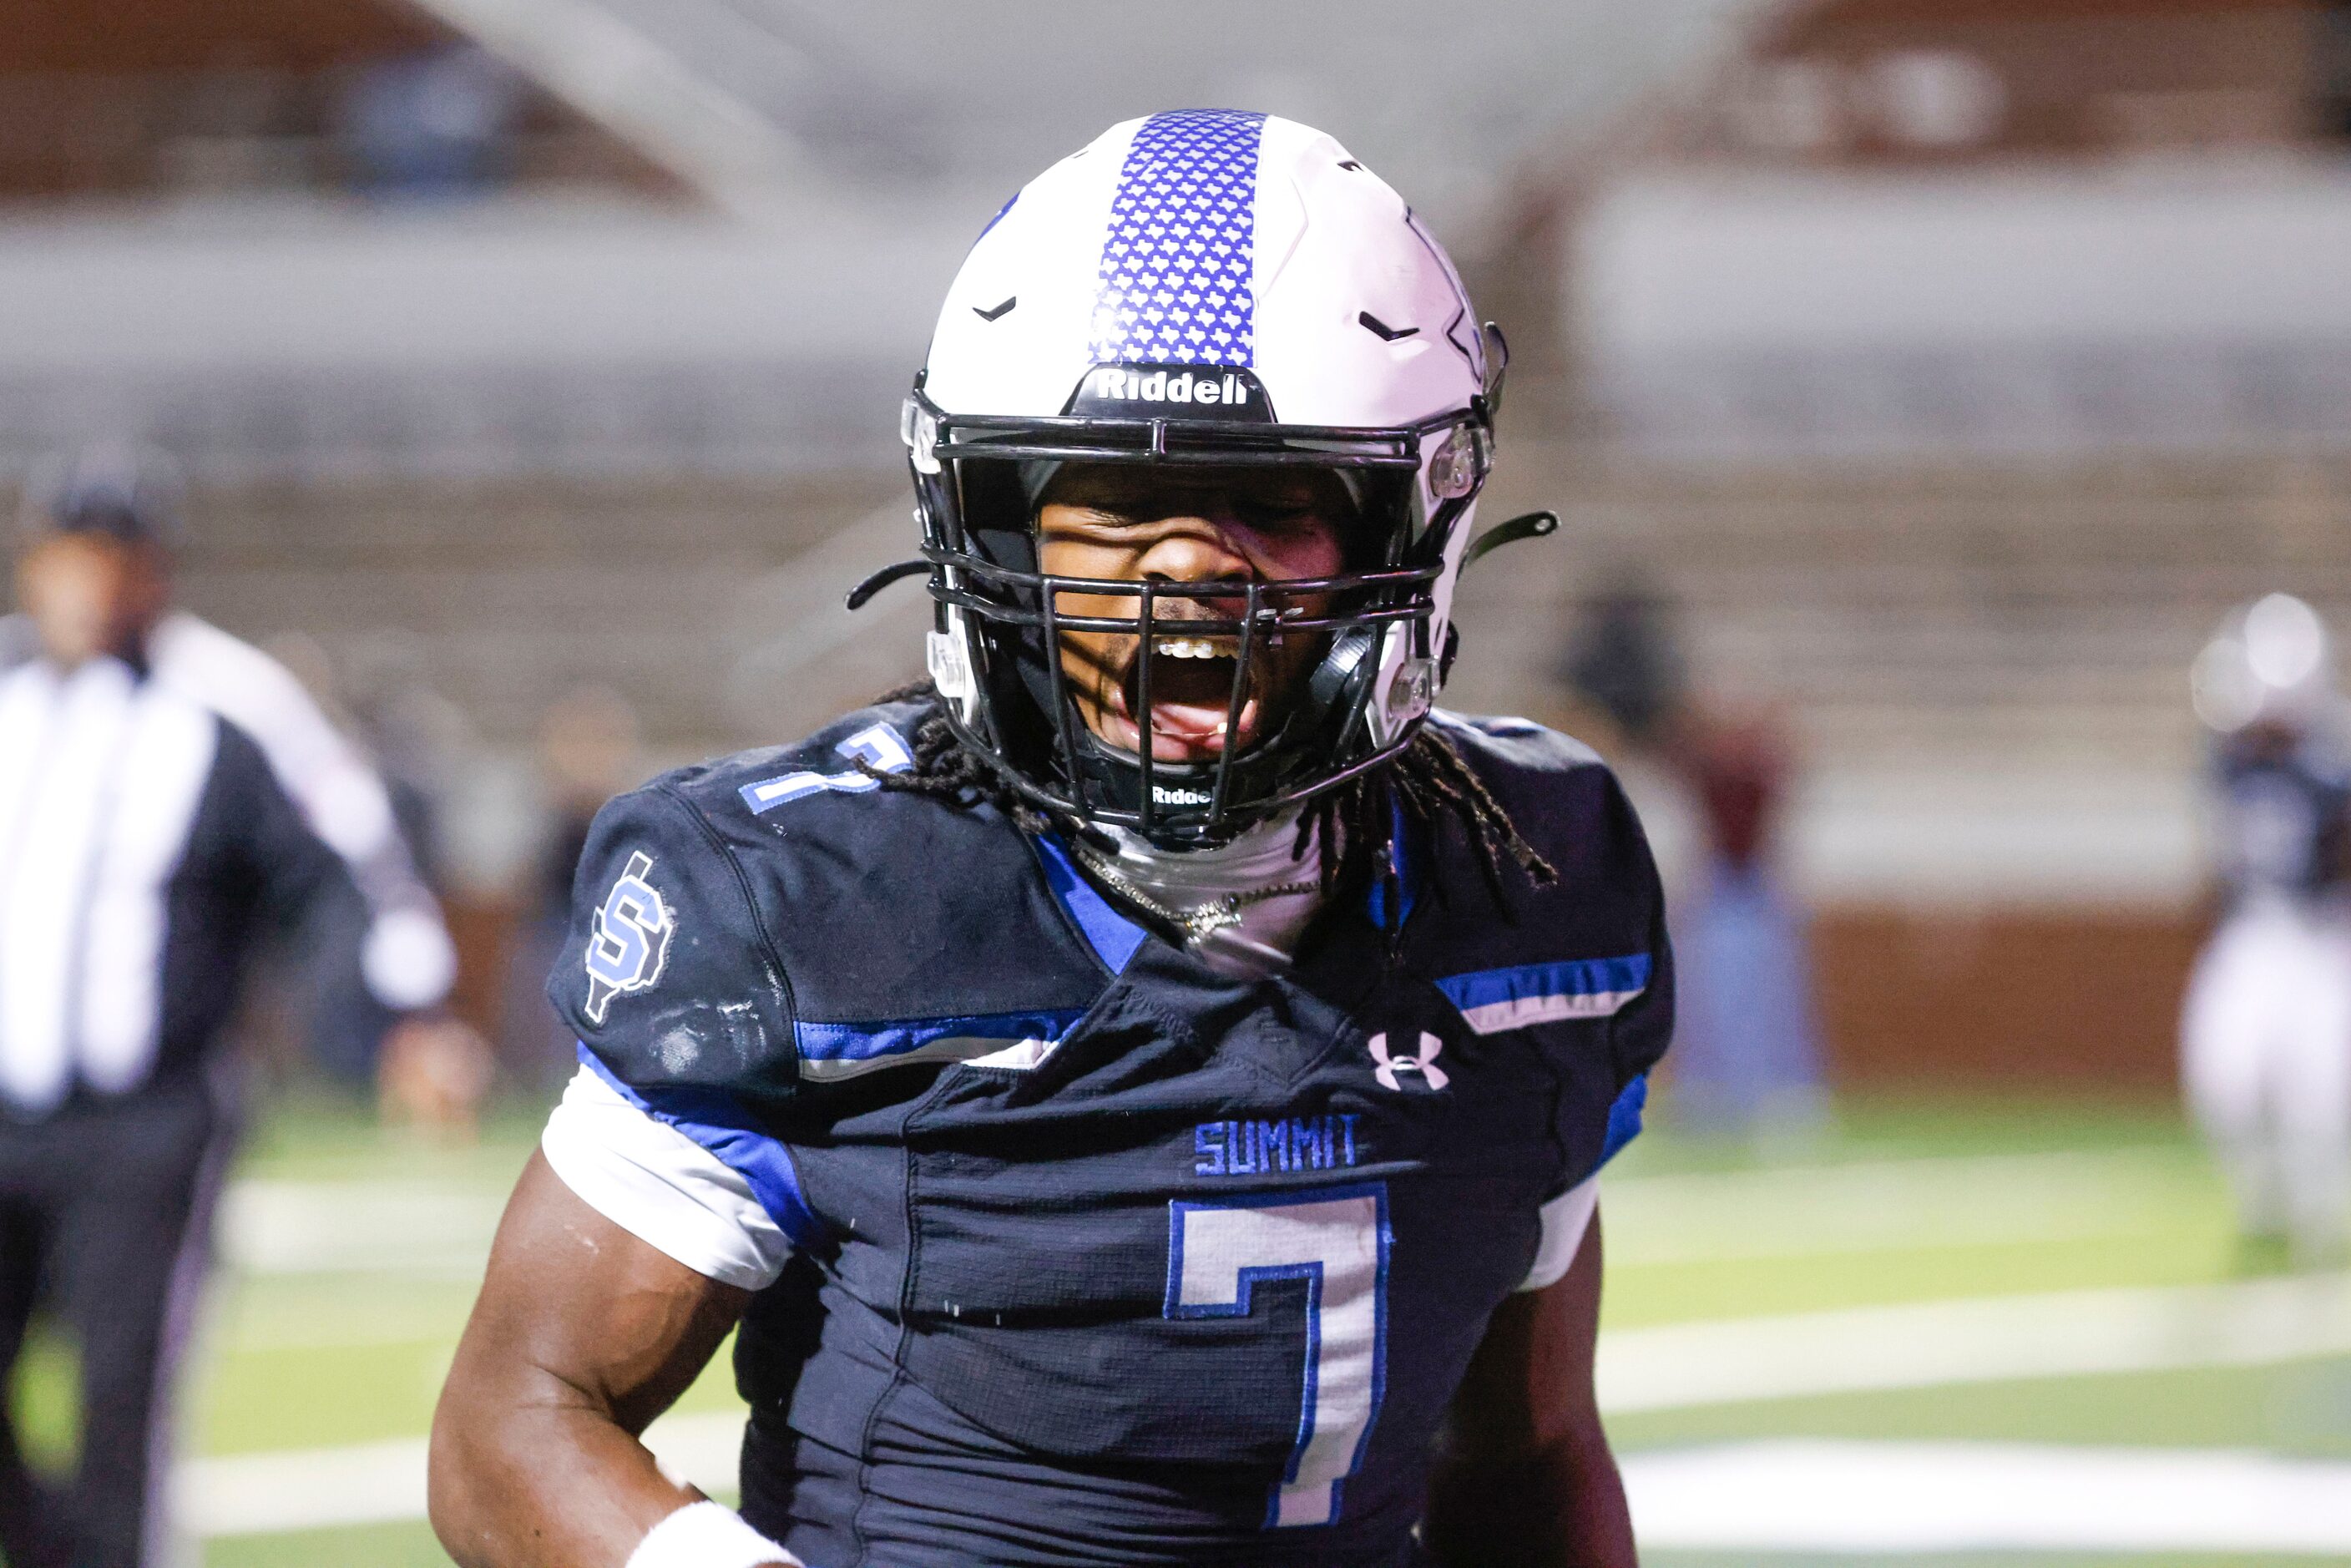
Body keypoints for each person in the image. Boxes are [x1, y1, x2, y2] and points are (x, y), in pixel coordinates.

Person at [431, 112, 1671, 1568]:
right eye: (1119, 502)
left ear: (1415, 525)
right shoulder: (815, 894)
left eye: (1274, 502)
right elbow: (513, 1417)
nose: (1188, 571)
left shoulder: (1531, 876)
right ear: (995, 526)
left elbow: (1530, 1450)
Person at [0, 444, 463, 1565]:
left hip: (147, 1115)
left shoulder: (228, 701)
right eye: (69, 560)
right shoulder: (9, 694)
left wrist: (409, 1011)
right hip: (7, 1106)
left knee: (123, 1402)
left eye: (114, 561)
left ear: (154, 571)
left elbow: (349, 860)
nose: (89, 587)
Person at [2182, 592, 2351, 1265]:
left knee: (2318, 1092)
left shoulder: (2332, 768)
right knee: (2223, 1074)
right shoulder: (2227, 760)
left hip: (2321, 937)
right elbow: (2217, 861)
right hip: (2252, 936)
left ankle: (2317, 1213)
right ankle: (2262, 1206)